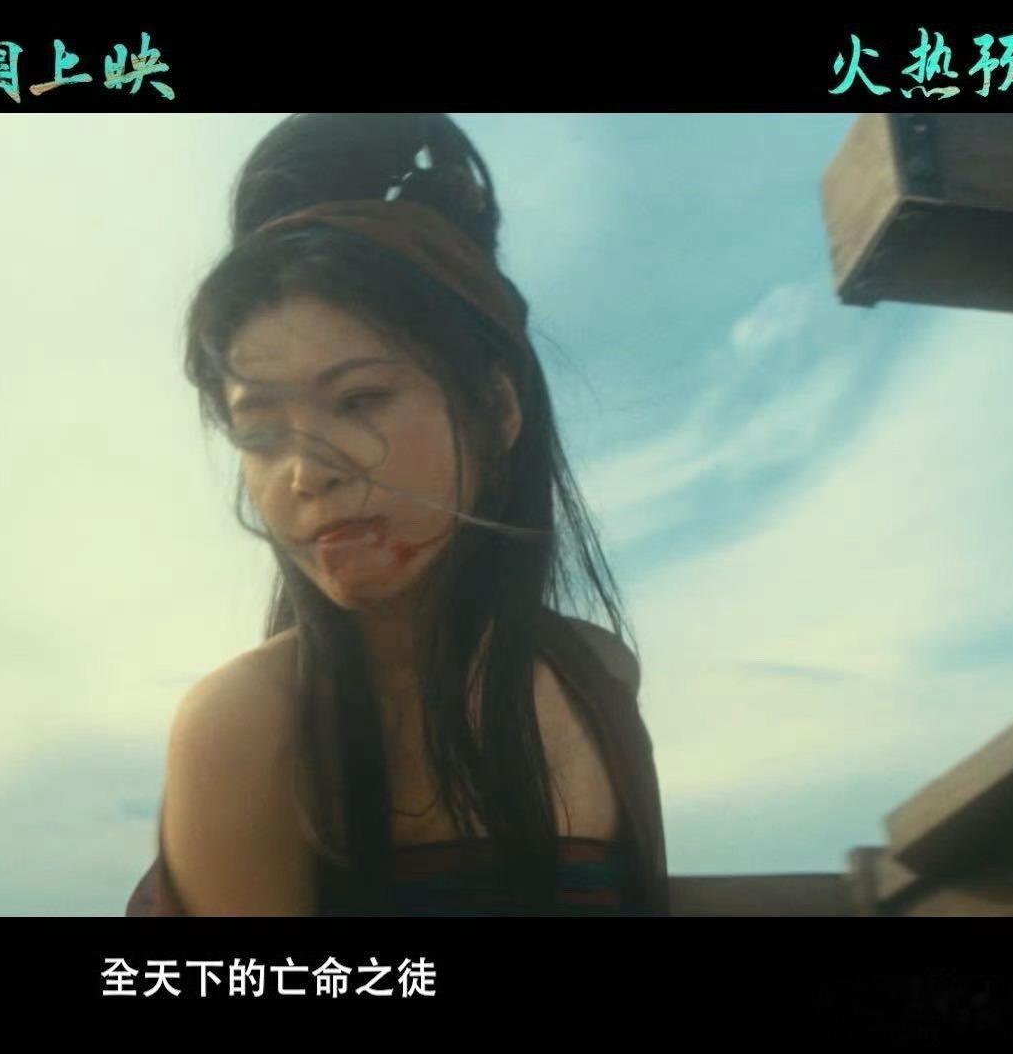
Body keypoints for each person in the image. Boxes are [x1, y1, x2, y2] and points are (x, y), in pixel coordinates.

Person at [126, 114, 669, 916]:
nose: (307, 472)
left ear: (496, 409)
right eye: (261, 433)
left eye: (361, 399)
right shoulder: (249, 724)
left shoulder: (597, 675)